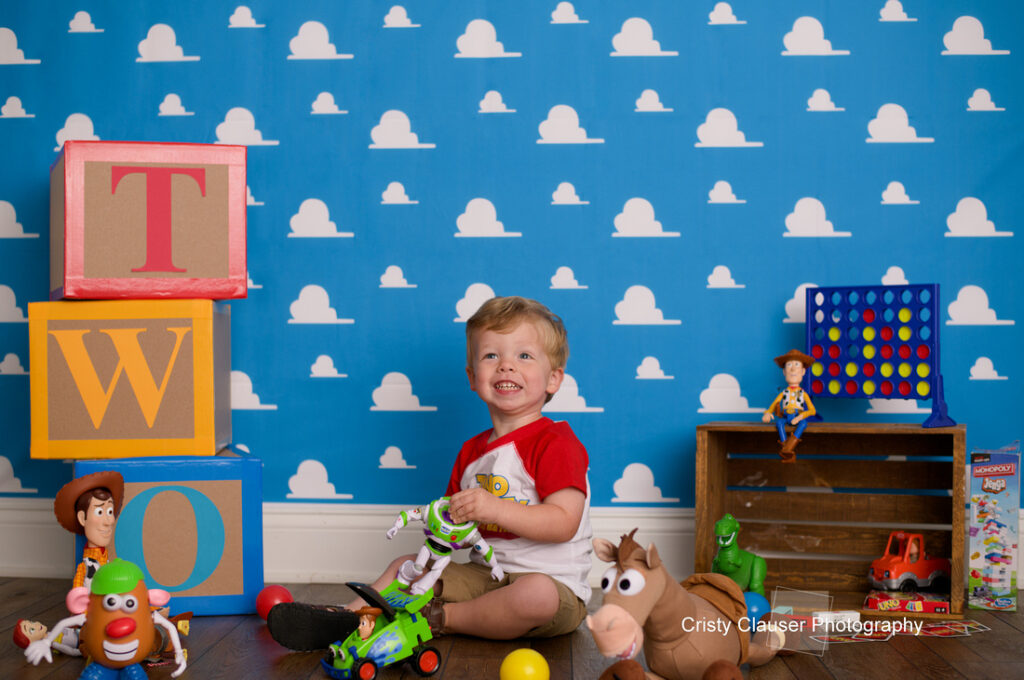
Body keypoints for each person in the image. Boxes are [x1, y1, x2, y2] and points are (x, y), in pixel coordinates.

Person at [268, 296, 593, 649]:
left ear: (554, 379)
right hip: (484, 575)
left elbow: (564, 523)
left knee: (535, 596)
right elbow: (454, 531)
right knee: (404, 565)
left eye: (524, 356)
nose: (506, 366)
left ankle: (442, 619)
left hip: (553, 585)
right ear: (472, 377)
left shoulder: (555, 442)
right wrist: (442, 524)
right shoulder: (472, 453)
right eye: (491, 356)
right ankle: (349, 618)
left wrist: (493, 508)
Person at [53, 470, 124, 589]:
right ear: (82, 518)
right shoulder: (85, 568)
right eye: (99, 512)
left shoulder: (107, 561)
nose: (109, 521)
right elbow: (77, 596)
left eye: (110, 512)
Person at [761, 349, 816, 462]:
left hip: (797, 415)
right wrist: (768, 413)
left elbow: (812, 411)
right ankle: (786, 447)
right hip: (786, 416)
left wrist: (800, 417)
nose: (793, 368)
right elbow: (774, 405)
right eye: (789, 365)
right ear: (784, 372)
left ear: (803, 371)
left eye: (796, 364)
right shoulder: (784, 393)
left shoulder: (803, 394)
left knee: (803, 424)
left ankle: (788, 448)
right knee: (779, 423)